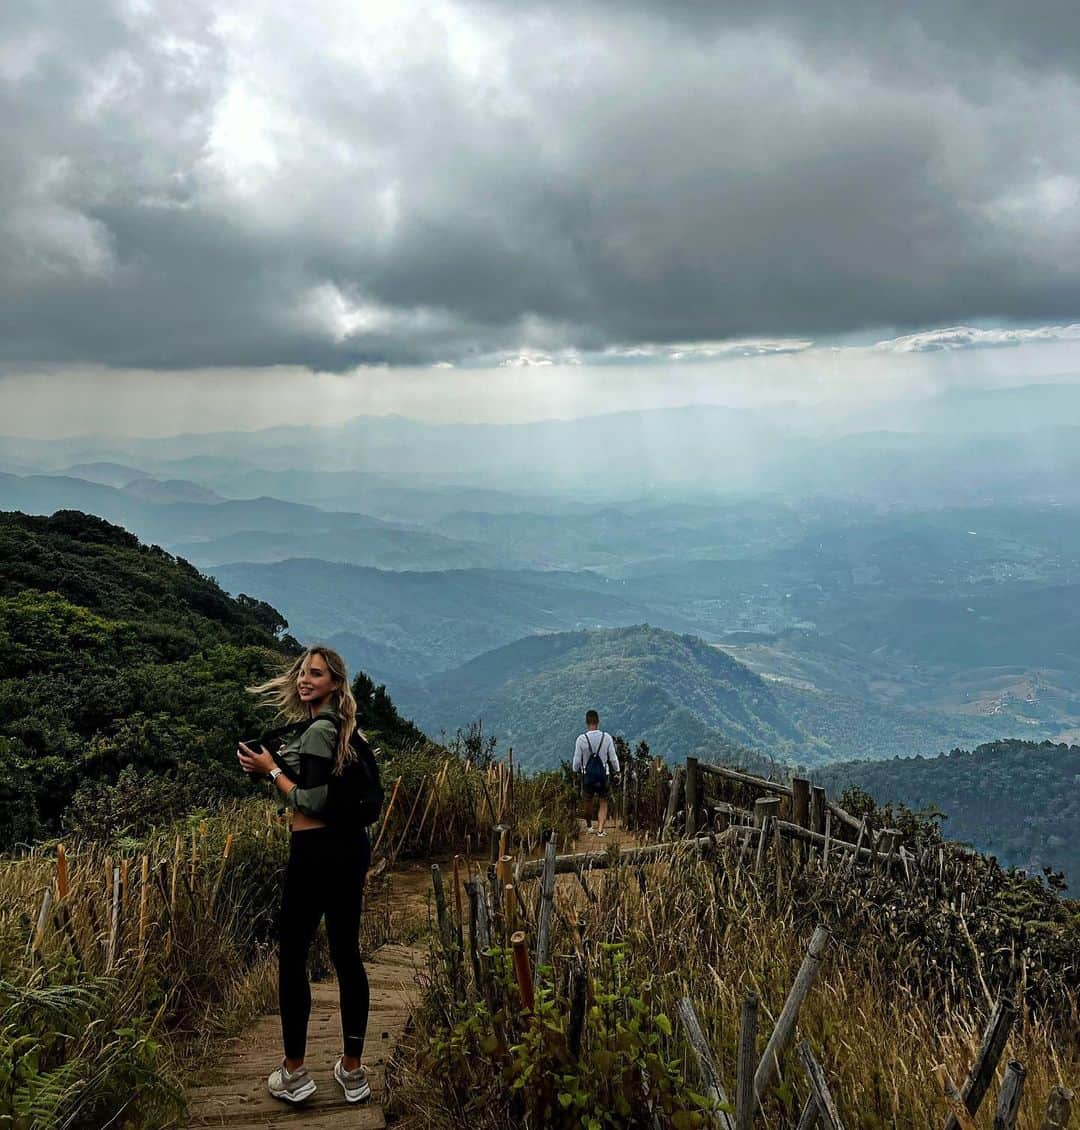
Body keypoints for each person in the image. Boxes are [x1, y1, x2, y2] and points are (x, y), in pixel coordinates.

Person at [237, 646, 372, 1107]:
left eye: (315, 674)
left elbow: (311, 801)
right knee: (347, 955)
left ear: (335, 683)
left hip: (314, 852)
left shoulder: (317, 732)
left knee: (293, 956)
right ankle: (353, 1071)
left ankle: (295, 1073)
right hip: (351, 851)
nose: (303, 680)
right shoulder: (352, 732)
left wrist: (269, 769)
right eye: (302, 673)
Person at [572, 709, 620, 837]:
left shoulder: (581, 739)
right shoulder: (606, 738)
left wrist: (576, 770)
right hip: (603, 775)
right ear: (598, 722)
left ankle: (588, 825)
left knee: (588, 801)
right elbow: (613, 758)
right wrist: (617, 771)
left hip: (587, 776)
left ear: (587, 722)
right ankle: (600, 830)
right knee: (603, 802)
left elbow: (576, 761)